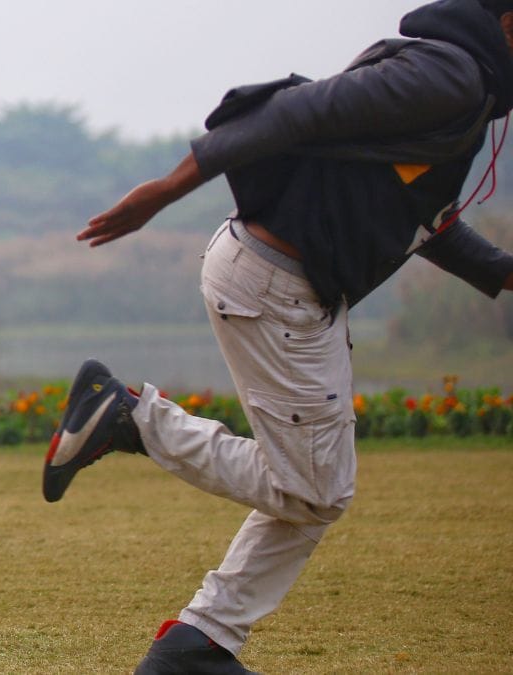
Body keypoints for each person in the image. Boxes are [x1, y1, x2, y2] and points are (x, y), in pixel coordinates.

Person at [42, 0, 513, 672]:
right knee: (317, 489)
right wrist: (167, 189)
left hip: (287, 283)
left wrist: (501, 272)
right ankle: (130, 419)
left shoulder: (459, 86)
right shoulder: (453, 76)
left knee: (317, 486)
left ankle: (199, 641)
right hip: (277, 284)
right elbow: (298, 111)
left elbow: (425, 217)